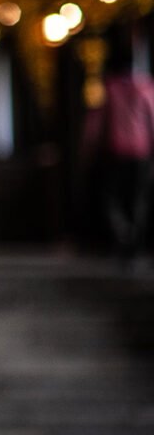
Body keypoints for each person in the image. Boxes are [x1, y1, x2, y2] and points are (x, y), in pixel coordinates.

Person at [84, 28, 154, 263]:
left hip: (116, 150)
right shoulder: (147, 88)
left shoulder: (110, 89)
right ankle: (134, 239)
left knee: (112, 197)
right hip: (142, 151)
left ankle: (123, 233)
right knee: (138, 198)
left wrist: (90, 147)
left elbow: (96, 123)